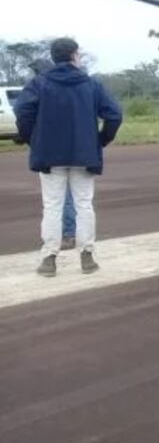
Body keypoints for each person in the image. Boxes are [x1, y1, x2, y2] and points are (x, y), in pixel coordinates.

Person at [14, 38, 123, 277]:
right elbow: (114, 115)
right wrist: (101, 140)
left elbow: (22, 112)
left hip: (49, 156)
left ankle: (49, 258)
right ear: (74, 56)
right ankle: (87, 256)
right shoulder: (92, 85)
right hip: (84, 154)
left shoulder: (39, 83)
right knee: (84, 205)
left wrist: (33, 139)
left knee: (52, 206)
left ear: (54, 57)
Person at [26, 58, 77, 250]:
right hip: (72, 147)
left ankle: (68, 235)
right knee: (70, 196)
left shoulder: (41, 89)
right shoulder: (68, 89)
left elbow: (24, 114)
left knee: (58, 198)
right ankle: (69, 234)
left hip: (51, 149)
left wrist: (31, 138)